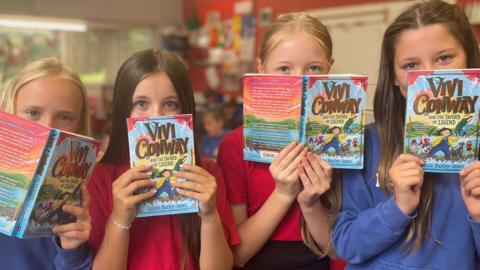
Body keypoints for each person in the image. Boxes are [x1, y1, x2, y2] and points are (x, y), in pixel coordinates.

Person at [332, 1, 480, 269]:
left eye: (445, 57)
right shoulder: (367, 142)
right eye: (410, 65)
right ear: (395, 77)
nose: (430, 74)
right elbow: (345, 244)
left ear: (469, 57)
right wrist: (397, 207)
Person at [88, 48, 239, 270]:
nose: (156, 116)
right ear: (123, 109)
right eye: (141, 103)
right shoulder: (101, 178)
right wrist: (120, 219)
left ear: (186, 108)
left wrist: (210, 216)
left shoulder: (207, 174)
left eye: (170, 104)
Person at [218, 13, 343, 269]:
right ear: (261, 69)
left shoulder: (344, 141)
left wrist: (311, 203)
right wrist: (284, 193)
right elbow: (237, 256)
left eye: (313, 68)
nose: (300, 79)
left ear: (330, 68)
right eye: (284, 68)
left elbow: (339, 251)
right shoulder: (234, 146)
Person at [0, 58, 93, 269]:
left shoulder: (84, 191)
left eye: (64, 117)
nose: (48, 127)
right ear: (10, 108)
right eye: (33, 113)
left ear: (78, 123)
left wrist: (72, 251)